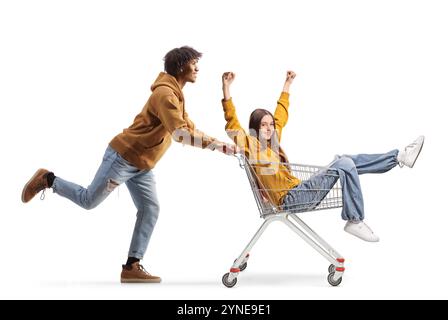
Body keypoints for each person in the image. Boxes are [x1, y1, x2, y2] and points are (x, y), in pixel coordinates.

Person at [21, 46, 235, 283]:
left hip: (142, 165)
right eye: (194, 63)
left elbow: (189, 128)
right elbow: (181, 134)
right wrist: (217, 146)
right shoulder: (165, 95)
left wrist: (219, 144)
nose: (197, 68)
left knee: (150, 209)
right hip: (123, 158)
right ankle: (49, 180)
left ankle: (132, 266)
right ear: (181, 65)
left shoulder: (175, 95)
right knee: (88, 201)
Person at [221, 70, 424, 242]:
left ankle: (398, 158)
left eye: (270, 124)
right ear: (255, 128)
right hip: (291, 198)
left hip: (299, 190)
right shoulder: (251, 144)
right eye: (263, 124)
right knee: (343, 163)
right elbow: (232, 124)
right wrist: (226, 89)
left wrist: (287, 84)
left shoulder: (273, 143)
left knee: (342, 159)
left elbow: (280, 115)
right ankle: (355, 219)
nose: (269, 128)